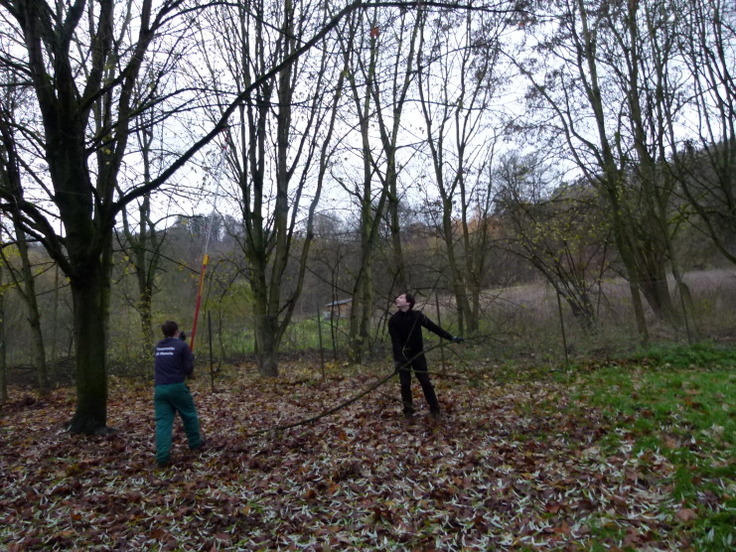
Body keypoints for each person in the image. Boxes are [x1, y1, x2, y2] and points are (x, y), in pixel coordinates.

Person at [388, 292, 463, 419]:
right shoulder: (394, 320)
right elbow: (395, 342)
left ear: (408, 303)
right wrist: (398, 360)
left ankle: (435, 409)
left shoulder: (417, 316)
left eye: (401, 297)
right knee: (405, 384)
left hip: (417, 354)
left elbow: (433, 327)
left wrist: (450, 337)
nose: (397, 299)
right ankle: (408, 411)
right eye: (398, 297)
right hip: (403, 356)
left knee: (425, 381)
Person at [153, 320, 204, 467]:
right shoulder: (182, 346)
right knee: (189, 415)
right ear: (176, 331)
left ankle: (162, 457)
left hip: (160, 389)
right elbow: (188, 369)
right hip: (176, 386)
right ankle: (195, 443)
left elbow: (171, 350)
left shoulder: (159, 346)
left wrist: (181, 343)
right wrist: (190, 358)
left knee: (163, 423)